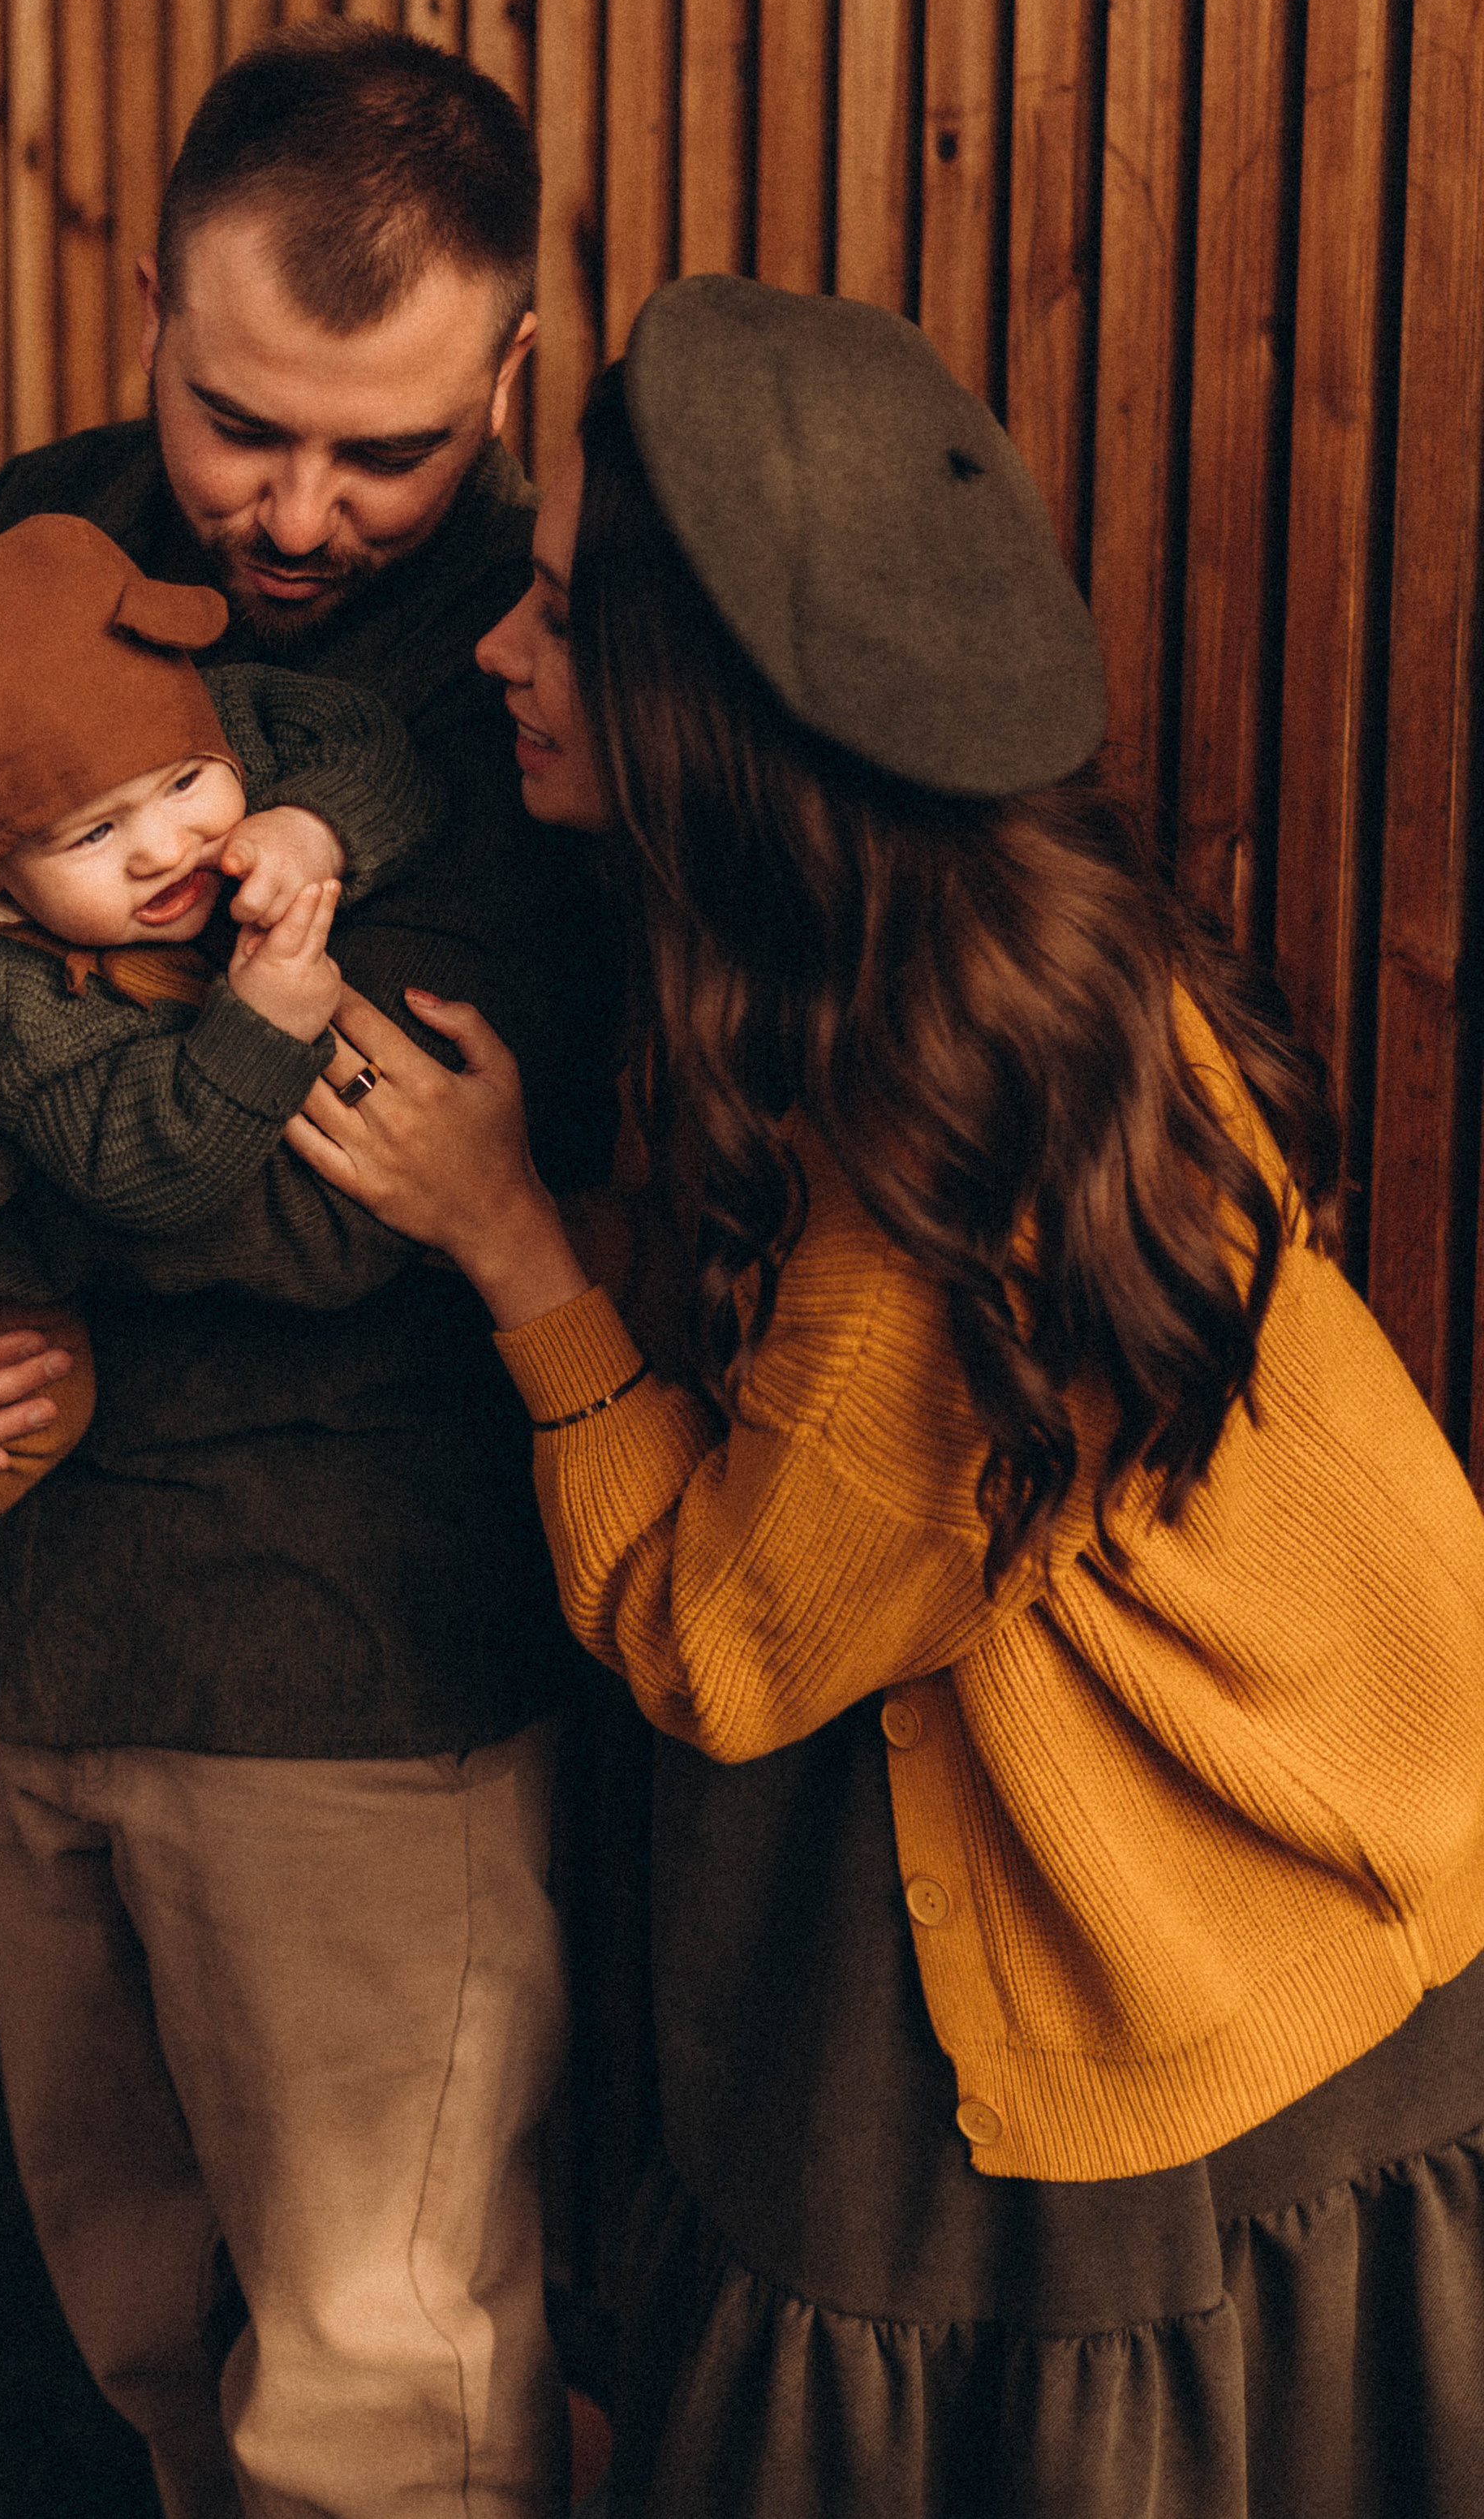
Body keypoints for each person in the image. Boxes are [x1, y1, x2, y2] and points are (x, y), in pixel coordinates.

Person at [286, 276, 1484, 2519]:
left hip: (1163, 1965)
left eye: (554, 621)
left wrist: (513, 1249)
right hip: (1354, 1890)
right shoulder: (1044, 956)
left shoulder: (921, 1232)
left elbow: (723, 1646)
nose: (496, 656)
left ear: (698, 712)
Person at [0, 23, 615, 2519]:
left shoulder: (527, 681)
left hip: (357, 1665)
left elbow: (310, 1196)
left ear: (513, 377)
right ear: (146, 305)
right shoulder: (38, 531)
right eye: (246, 422)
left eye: (394, 447)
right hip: (52, 1616)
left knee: (384, 2404)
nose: (307, 510)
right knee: (134, 2325)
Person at [0, 510, 437, 1633]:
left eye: (180, 787)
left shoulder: (207, 734)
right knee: (35, 1403)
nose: (167, 847)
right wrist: (261, 1021)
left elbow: (369, 744)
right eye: (90, 838)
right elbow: (135, 1170)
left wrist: (312, 828)